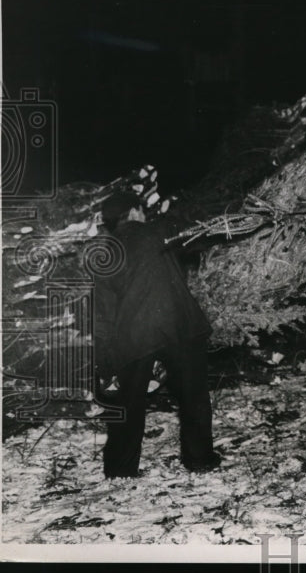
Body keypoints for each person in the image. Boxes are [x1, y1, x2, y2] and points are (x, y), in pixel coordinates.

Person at [93, 192, 220, 478]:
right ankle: (199, 460)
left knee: (127, 404)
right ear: (136, 211)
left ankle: (120, 470)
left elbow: (103, 311)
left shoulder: (104, 251)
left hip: (133, 333)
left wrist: (106, 357)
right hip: (179, 324)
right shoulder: (160, 231)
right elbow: (198, 236)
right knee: (193, 397)